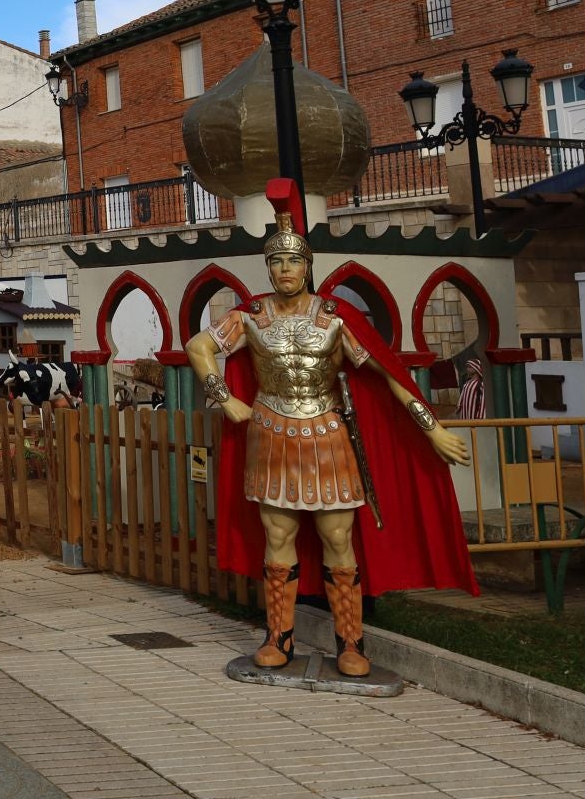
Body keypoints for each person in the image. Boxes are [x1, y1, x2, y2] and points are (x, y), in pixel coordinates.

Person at [186, 180, 473, 679]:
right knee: (278, 534)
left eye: (293, 262)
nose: (284, 270)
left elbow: (387, 374)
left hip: (326, 433)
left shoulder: (337, 319)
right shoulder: (250, 315)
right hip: (271, 430)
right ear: (267, 267)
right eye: (275, 262)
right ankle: (279, 638)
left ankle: (351, 644)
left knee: (338, 537)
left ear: (308, 265)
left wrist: (431, 429)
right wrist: (223, 396)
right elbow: (197, 347)